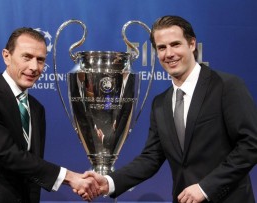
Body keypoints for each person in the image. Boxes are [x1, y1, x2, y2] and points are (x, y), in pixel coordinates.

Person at [83, 15, 257, 203]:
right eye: (162, 48)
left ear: (191, 44)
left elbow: (250, 145)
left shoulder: (226, 86)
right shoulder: (161, 103)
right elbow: (151, 158)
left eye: (175, 44)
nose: (169, 54)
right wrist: (109, 182)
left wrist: (206, 187)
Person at [0, 27, 99, 203]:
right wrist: (70, 177)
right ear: (6, 56)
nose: (34, 67)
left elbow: (32, 166)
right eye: (27, 57)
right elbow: (7, 153)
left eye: (40, 60)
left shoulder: (36, 108)